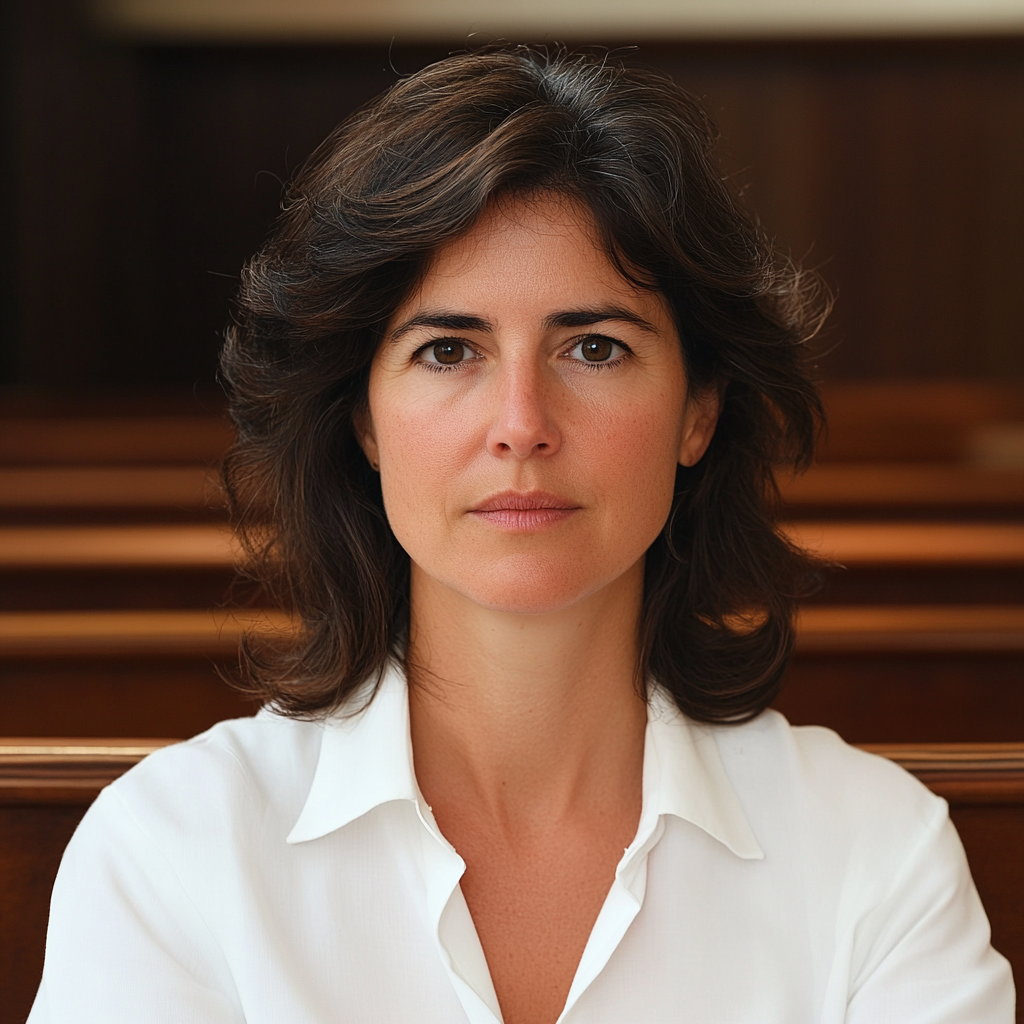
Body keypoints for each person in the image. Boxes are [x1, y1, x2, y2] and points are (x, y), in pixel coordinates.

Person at [29, 44, 1013, 1024]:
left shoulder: (874, 850)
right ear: (363, 417)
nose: (520, 422)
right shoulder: (175, 847)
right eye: (447, 349)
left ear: (698, 410)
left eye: (594, 347)